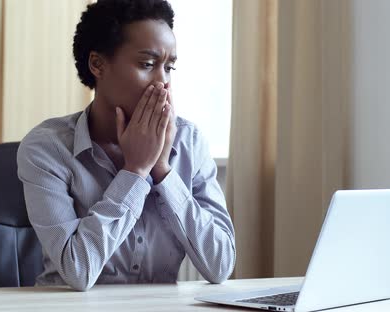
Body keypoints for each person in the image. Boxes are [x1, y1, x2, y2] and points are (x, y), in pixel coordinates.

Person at [17, 0, 235, 291]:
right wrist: (136, 170)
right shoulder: (47, 149)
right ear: (98, 64)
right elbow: (77, 271)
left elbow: (220, 266)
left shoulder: (189, 142)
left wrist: (161, 169)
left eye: (169, 68)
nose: (163, 83)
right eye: (147, 65)